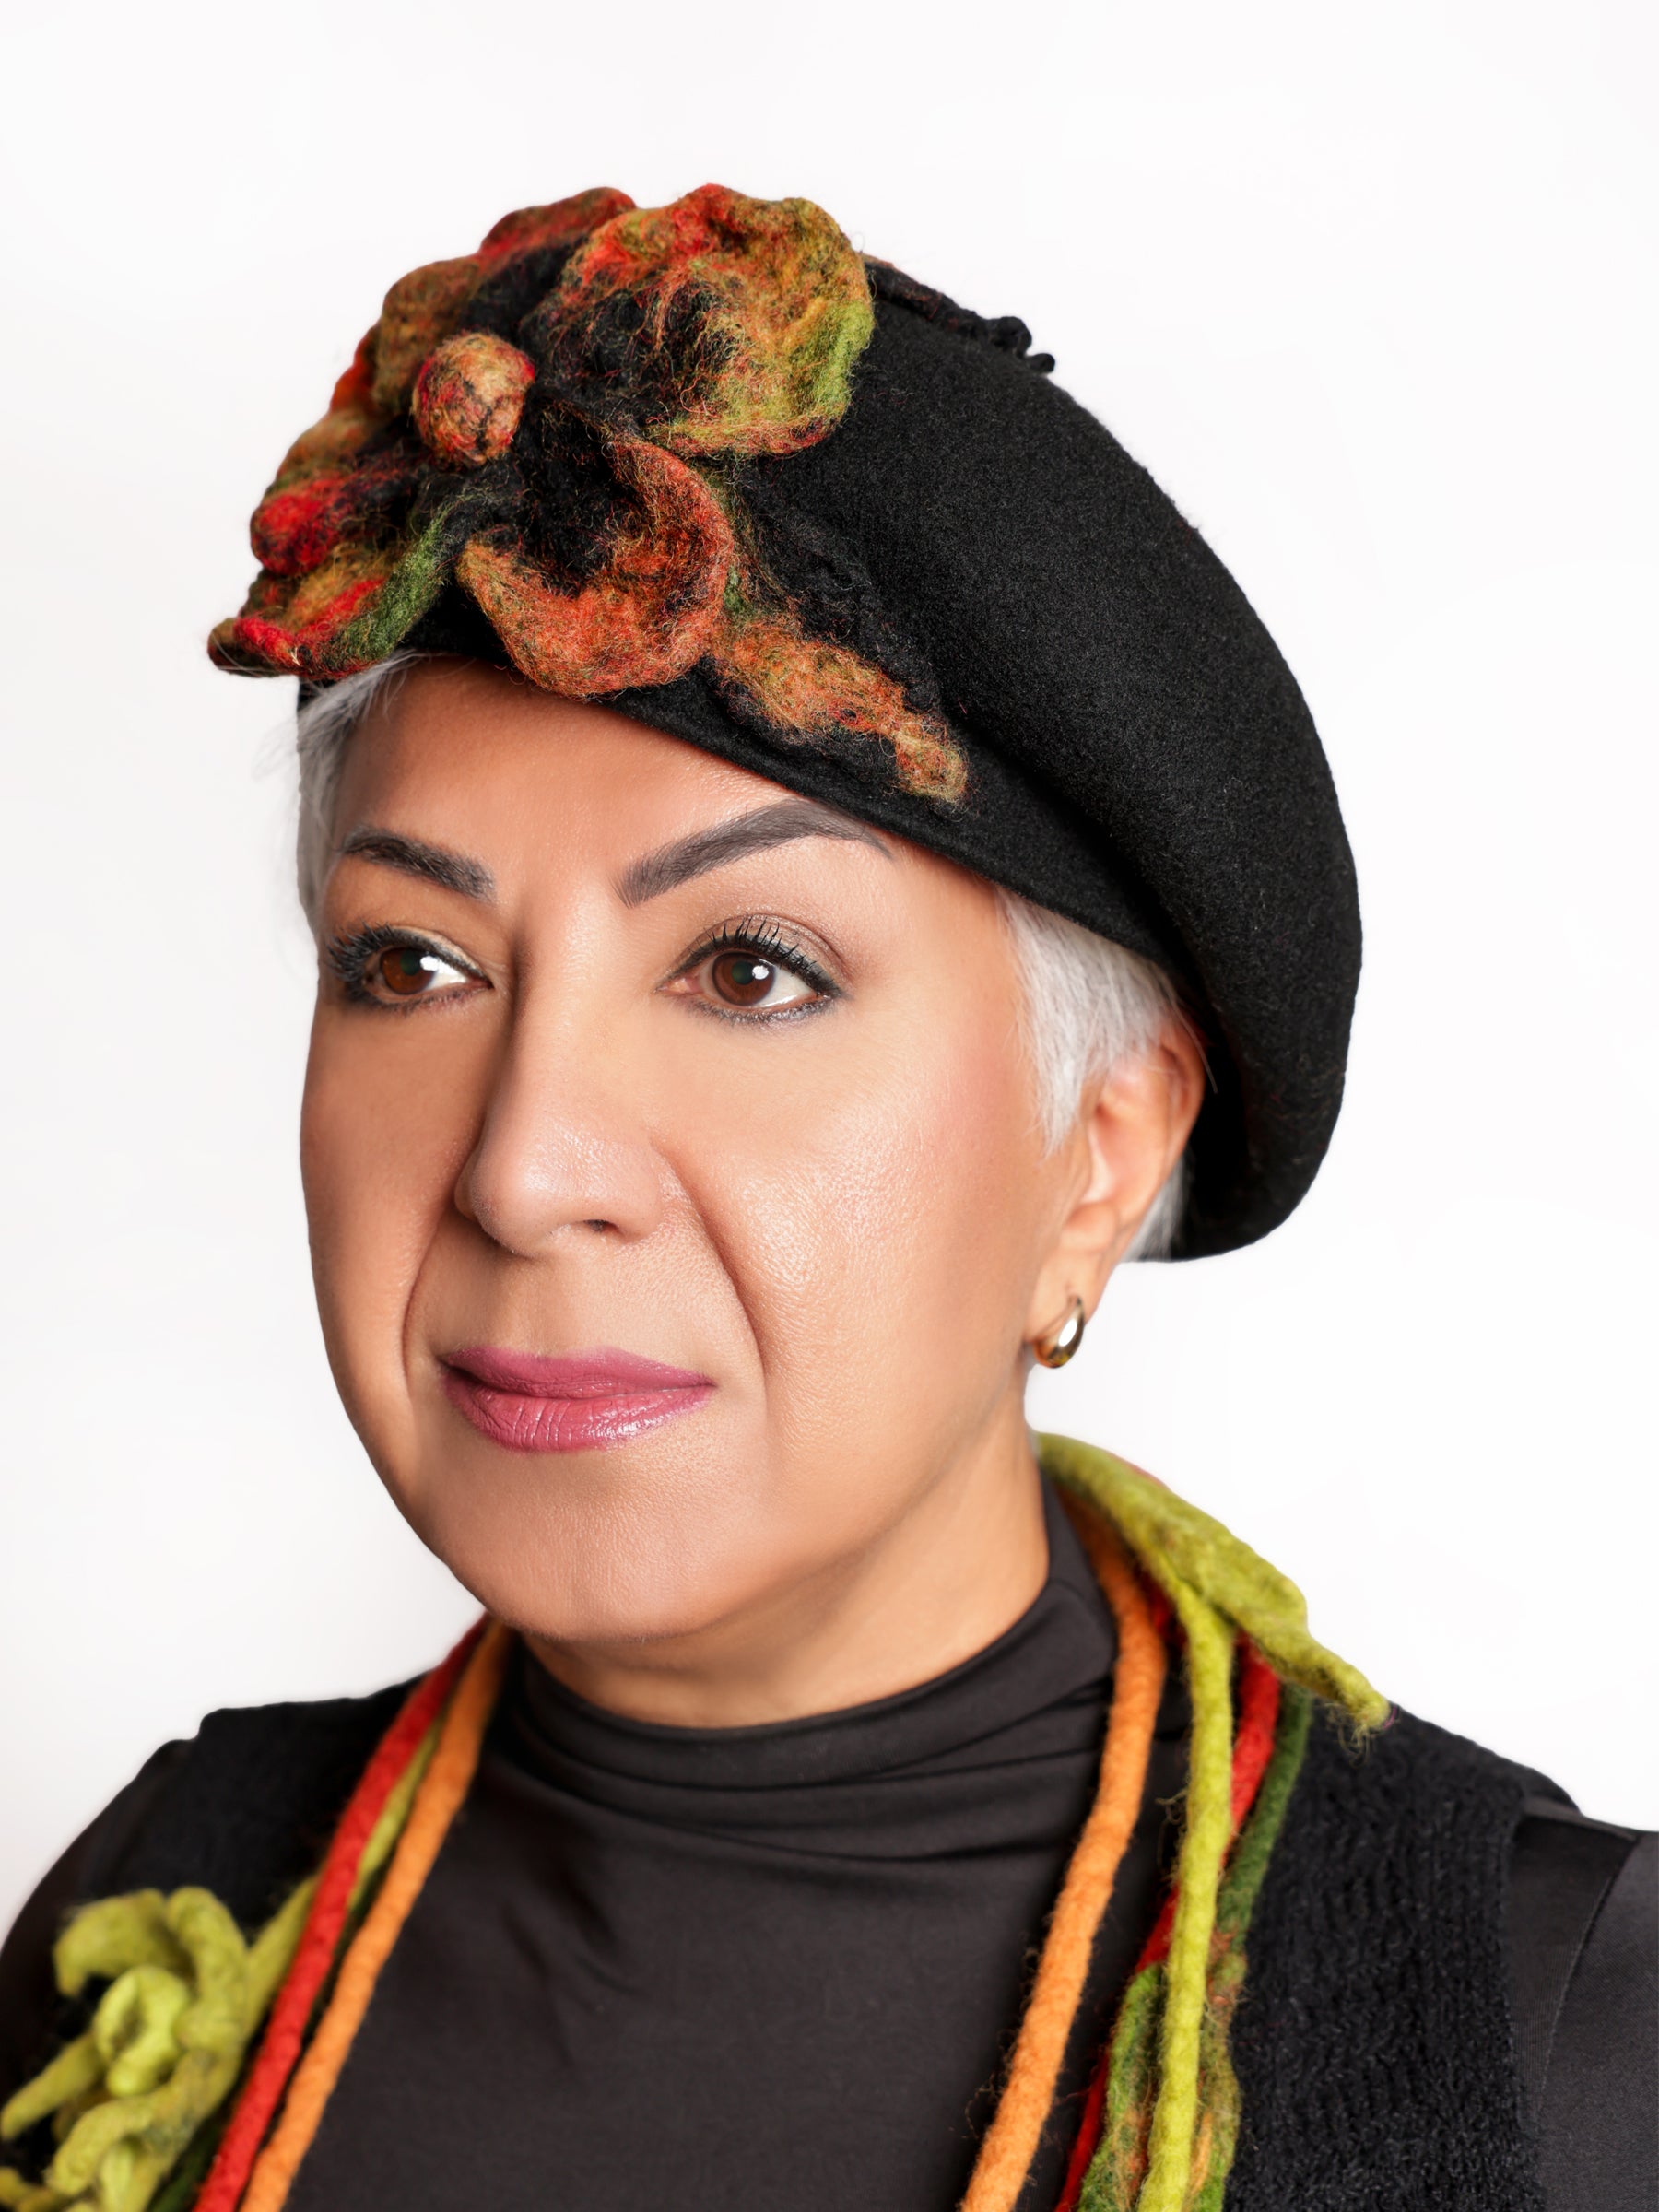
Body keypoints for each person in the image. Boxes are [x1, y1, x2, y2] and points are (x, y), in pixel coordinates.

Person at [0, 183, 1652, 2212]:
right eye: (412, 964)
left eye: (749, 972)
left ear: (1101, 1149)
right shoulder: (157, 1930)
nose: (522, 1170)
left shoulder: (1548, 2036)